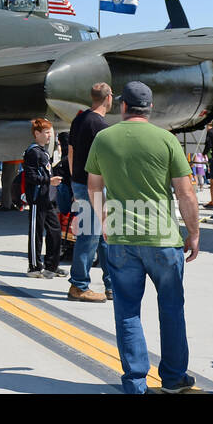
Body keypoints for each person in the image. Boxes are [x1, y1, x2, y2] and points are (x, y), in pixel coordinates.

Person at [85, 81, 200, 394]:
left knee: (127, 312)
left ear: (122, 106)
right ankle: (174, 378)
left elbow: (93, 186)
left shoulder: (104, 138)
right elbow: (185, 192)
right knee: (172, 309)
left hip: (121, 239)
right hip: (163, 240)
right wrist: (193, 232)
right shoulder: (166, 140)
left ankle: (135, 382)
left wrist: (104, 221)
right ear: (150, 108)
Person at [67, 83, 112, 302]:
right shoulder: (101, 126)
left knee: (103, 235)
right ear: (108, 98)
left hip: (79, 181)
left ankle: (111, 285)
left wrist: (74, 181)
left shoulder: (79, 119)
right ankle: (79, 285)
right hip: (94, 186)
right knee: (91, 235)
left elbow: (71, 152)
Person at [22, 118, 65, 278]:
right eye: (46, 132)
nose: (49, 136)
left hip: (48, 198)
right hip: (37, 198)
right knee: (36, 233)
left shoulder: (44, 151)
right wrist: (49, 180)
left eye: (50, 133)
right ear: (37, 133)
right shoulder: (33, 152)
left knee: (55, 231)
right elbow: (31, 176)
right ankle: (34, 266)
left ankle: (51, 266)